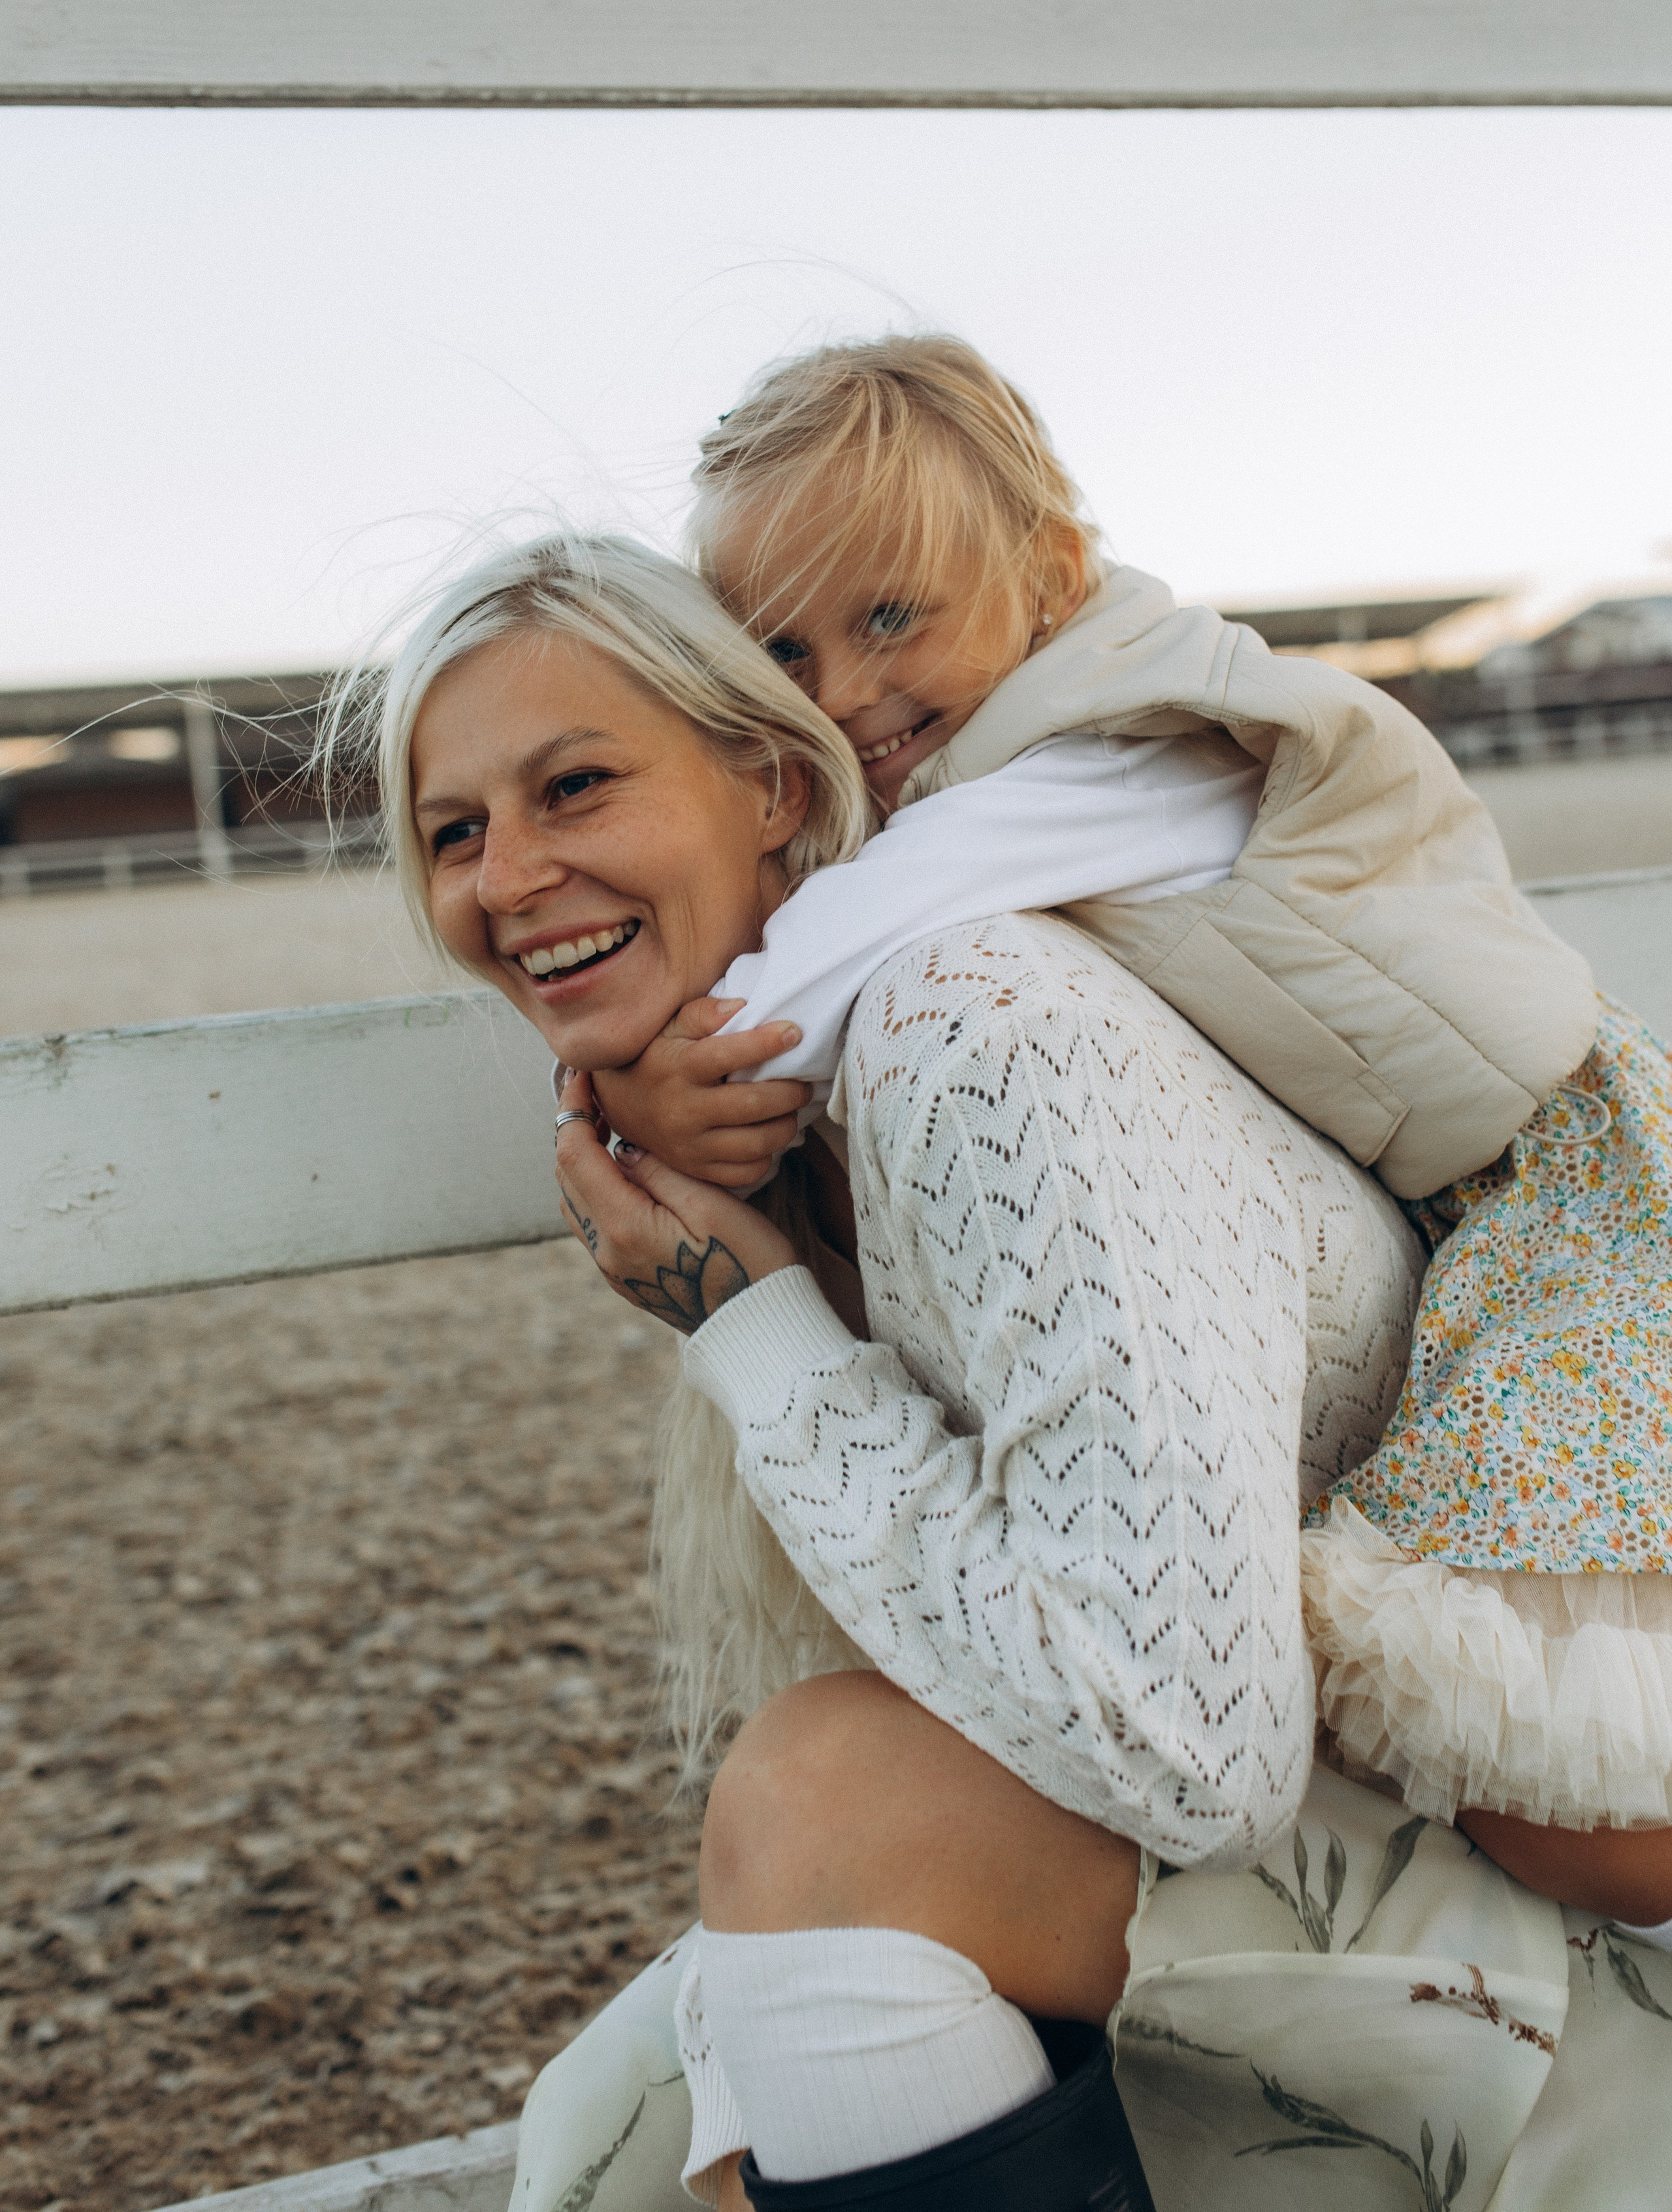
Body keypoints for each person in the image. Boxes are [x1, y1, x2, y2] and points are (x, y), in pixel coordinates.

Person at [342, 527, 1672, 2212]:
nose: (507, 875)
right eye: (455, 832)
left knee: (820, 1806)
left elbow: (1189, 1748)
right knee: (597, 2147)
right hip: (1322, 1849)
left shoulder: (968, 1024)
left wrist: (750, 1327)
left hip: (1550, 1956)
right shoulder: (784, 1093)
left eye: (574, 788)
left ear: (767, 783)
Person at [589, 334, 1672, 1951]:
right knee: (1511, 1695)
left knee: (1529, 1713)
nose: (846, 690)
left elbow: (863, 924)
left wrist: (673, 1081)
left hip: (1557, 1192)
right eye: (785, 654)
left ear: (1050, 569)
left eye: (891, 614)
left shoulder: (1125, 736)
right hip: (1475, 1193)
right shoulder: (1013, 753)